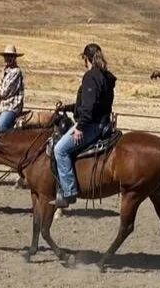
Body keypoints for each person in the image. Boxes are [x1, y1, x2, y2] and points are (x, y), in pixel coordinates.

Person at [53, 43, 117, 208]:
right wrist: (66, 107)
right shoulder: (106, 76)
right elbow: (91, 103)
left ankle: (68, 192)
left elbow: (88, 108)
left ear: (86, 58)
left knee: (60, 150)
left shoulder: (91, 76)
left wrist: (80, 128)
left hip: (91, 126)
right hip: (103, 123)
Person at [0, 45, 25, 131]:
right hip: (2, 105)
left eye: (10, 56)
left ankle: (9, 142)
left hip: (12, 106)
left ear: (15, 58)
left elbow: (5, 92)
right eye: (6, 56)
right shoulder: (5, 70)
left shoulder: (16, 72)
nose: (8, 58)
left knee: (1, 125)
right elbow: (0, 88)